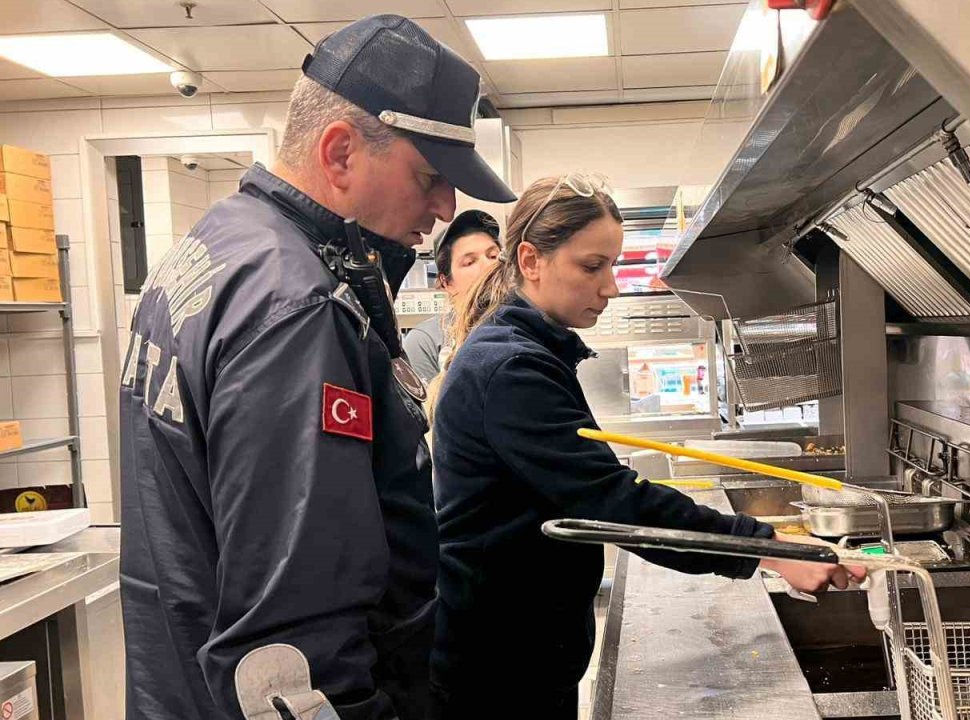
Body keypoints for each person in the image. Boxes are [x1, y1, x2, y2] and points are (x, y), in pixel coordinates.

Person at [118, 15, 515, 720]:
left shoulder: (211, 250)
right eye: (429, 177)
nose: (446, 207)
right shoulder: (298, 309)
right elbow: (291, 649)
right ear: (338, 153)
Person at [427, 174, 860, 717]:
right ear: (531, 261)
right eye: (593, 266)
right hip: (499, 668)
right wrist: (768, 550)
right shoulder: (513, 368)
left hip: (517, 650)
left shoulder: (521, 351)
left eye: (613, 265)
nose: (610, 286)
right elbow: (614, 502)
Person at [403, 209, 502, 384]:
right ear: (446, 282)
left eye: (493, 256)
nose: (489, 266)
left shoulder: (523, 324)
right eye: (469, 262)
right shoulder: (425, 342)